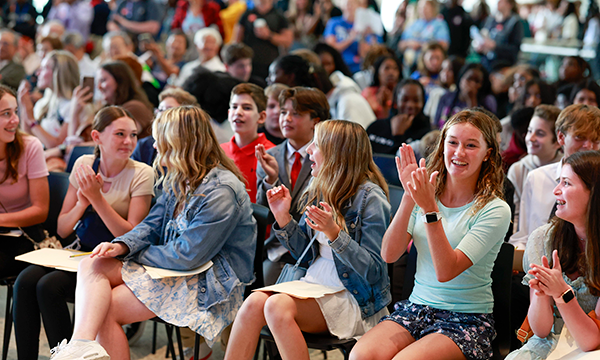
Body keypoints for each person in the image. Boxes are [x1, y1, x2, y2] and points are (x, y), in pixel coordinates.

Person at [48, 105, 256, 360]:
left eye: (160, 142)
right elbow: (152, 225)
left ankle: (78, 349)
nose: (154, 147)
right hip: (172, 266)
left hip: (208, 281)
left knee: (105, 309)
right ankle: (80, 345)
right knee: (94, 263)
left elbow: (189, 255)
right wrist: (122, 246)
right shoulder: (181, 176)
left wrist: (135, 253)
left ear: (179, 144)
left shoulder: (221, 190)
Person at [351, 109, 511, 360]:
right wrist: (408, 195)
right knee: (361, 355)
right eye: (453, 142)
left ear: (487, 154)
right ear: (442, 145)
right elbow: (389, 254)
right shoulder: (426, 193)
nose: (459, 153)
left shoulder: (496, 210)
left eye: (471, 145)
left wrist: (428, 209)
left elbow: (446, 271)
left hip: (465, 318)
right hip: (416, 309)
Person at [225, 119, 391, 360]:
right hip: (313, 283)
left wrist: (335, 234)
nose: (308, 150)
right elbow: (304, 251)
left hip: (353, 296)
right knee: (252, 303)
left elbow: (374, 271)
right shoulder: (320, 185)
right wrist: (283, 218)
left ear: (336, 152)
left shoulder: (370, 197)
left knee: (275, 306)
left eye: (316, 143)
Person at [13, 105, 154, 360]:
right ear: (97, 137)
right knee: (25, 281)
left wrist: (97, 199)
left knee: (49, 287)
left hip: (114, 258)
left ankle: (71, 355)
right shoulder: (85, 163)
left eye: (133, 134)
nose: (129, 141)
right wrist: (83, 202)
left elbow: (133, 236)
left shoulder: (142, 173)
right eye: (120, 134)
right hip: (80, 251)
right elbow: (63, 227)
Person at [505, 150, 600, 360]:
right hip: (546, 343)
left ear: (594, 193)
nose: (556, 191)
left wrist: (562, 293)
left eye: (566, 183)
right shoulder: (543, 239)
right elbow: (540, 330)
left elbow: (591, 341)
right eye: (559, 182)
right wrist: (541, 293)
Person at [255, 87, 330, 285]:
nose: (286, 119)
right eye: (283, 112)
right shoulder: (270, 155)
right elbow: (263, 212)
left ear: (316, 121)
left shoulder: (326, 158)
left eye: (295, 113)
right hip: (276, 249)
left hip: (315, 250)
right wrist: (271, 181)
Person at [509, 104, 600, 250]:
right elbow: (523, 235)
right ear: (561, 137)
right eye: (580, 137)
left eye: (596, 140)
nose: (588, 146)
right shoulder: (536, 178)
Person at [0, 84, 49, 278]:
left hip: (23, 236)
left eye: (15, 112)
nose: (15, 120)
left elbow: (40, 211)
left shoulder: (30, 147)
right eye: (6, 113)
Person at [507, 105, 561, 233]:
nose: (530, 138)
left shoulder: (566, 169)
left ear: (558, 141)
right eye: (530, 131)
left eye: (540, 134)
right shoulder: (518, 170)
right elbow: (515, 216)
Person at [222, 83, 275, 203]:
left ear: (261, 117)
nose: (238, 112)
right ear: (229, 113)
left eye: (246, 108)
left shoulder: (272, 154)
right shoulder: (219, 151)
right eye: (234, 107)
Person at [18, 50, 81, 149]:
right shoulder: (43, 103)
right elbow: (27, 138)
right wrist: (24, 107)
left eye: (44, 68)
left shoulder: (74, 105)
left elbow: (58, 145)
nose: (38, 73)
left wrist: (31, 119)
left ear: (59, 73)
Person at [131, 88, 199, 166]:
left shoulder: (193, 148)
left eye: (168, 109)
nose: (162, 114)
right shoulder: (143, 145)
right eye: (160, 109)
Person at [367, 79, 431, 154]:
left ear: (423, 103)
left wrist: (398, 136)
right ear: (396, 101)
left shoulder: (426, 135)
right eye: (405, 100)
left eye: (416, 100)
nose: (410, 105)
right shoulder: (376, 127)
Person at [93, 61, 154, 138]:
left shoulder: (134, 107)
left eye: (103, 80)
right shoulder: (109, 107)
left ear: (119, 80)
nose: (99, 87)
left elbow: (116, 141)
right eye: (97, 82)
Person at [234, 0, 293, 80]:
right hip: (249, 65)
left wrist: (269, 35)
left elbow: (287, 41)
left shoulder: (279, 16)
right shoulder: (246, 14)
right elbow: (236, 41)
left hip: (270, 65)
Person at [324, 0, 382, 74]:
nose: (350, 7)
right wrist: (351, 38)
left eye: (353, 4)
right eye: (348, 4)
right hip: (338, 67)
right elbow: (330, 49)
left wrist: (363, 36)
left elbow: (365, 56)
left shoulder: (365, 28)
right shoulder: (334, 23)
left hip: (358, 69)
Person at [434, 63, 496, 129]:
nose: (472, 84)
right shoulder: (447, 97)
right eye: (469, 79)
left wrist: (471, 99)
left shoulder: (488, 101)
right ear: (461, 79)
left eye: (477, 81)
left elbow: (482, 129)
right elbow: (436, 124)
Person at [476, 0, 524, 70]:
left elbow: (515, 49)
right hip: (486, 63)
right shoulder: (490, 20)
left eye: (501, 1)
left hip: (504, 66)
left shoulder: (515, 22)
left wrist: (495, 46)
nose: (498, 3)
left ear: (509, 4)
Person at [361, 55, 401, 120]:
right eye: (387, 68)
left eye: (395, 68)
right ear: (378, 72)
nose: (391, 72)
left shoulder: (402, 93)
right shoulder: (368, 92)